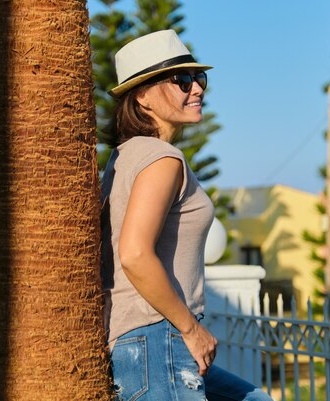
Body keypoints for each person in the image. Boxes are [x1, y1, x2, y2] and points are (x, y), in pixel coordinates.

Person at [100, 29, 273, 401]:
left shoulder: (125, 157)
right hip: (157, 338)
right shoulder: (162, 160)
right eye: (181, 80)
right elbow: (133, 253)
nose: (196, 89)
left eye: (199, 78)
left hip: (144, 343)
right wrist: (190, 330)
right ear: (142, 96)